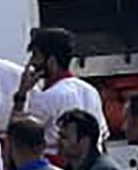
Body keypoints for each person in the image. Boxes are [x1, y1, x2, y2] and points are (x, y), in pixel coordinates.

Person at [12, 26, 104, 159]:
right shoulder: (91, 91)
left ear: (51, 61)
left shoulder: (49, 96)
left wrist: (22, 93)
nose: (31, 62)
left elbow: (18, 134)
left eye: (35, 55)